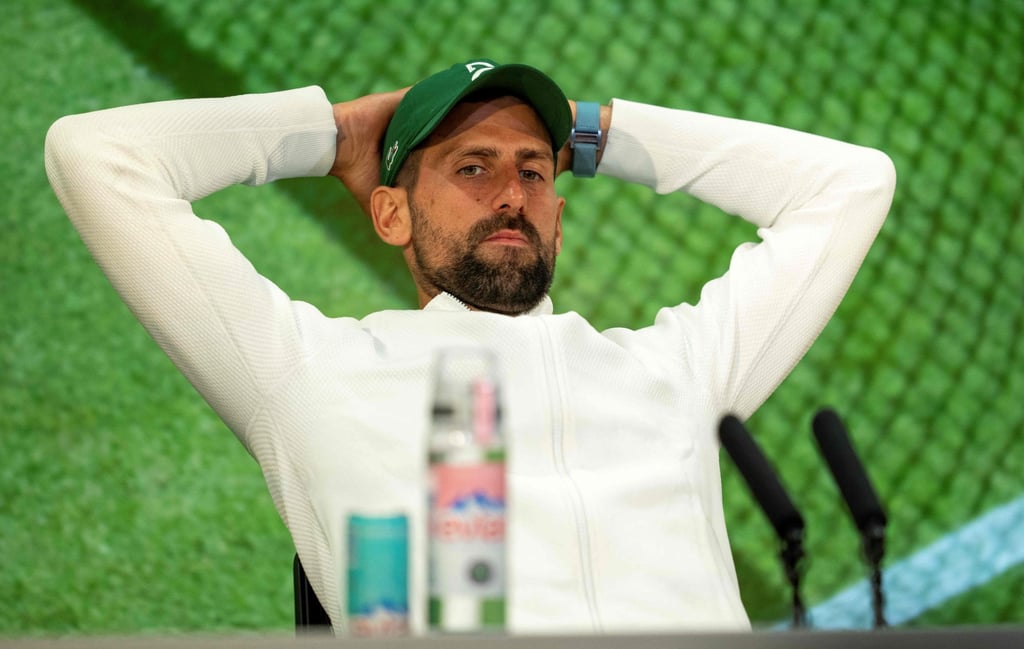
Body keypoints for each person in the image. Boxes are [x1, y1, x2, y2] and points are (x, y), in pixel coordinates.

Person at [45, 58, 896, 634]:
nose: (511, 195)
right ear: (390, 213)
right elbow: (95, 156)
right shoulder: (307, 373)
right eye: (471, 167)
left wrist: (591, 132)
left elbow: (851, 184)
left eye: (533, 170)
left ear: (558, 214)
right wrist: (334, 135)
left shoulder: (674, 369)